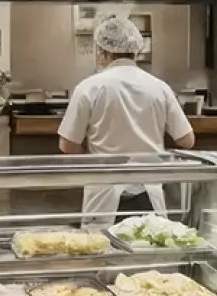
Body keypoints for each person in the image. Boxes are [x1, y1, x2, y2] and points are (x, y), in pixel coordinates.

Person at [58, 15, 196, 224]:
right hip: (149, 193)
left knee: (103, 249)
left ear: (102, 51)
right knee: (150, 246)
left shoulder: (89, 87)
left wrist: (94, 159)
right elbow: (187, 140)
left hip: (104, 194)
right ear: (136, 49)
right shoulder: (159, 87)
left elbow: (67, 145)